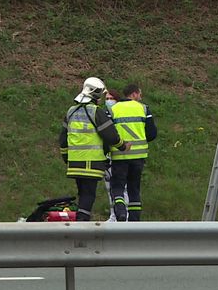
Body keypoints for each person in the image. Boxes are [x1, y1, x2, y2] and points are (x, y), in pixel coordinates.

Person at [59, 77, 130, 221]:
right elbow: (111, 136)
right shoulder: (96, 112)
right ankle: (81, 225)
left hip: (74, 163)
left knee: (83, 193)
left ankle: (81, 223)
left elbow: (63, 140)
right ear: (96, 95)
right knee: (88, 194)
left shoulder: (71, 112)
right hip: (91, 163)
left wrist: (67, 159)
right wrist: (123, 146)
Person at [109, 84, 157, 221]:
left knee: (118, 186)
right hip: (139, 157)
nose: (140, 97)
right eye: (140, 94)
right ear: (134, 94)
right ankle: (135, 220)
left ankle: (120, 211)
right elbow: (152, 133)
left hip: (119, 155)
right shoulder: (143, 108)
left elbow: (108, 133)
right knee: (134, 188)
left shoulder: (113, 109)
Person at [103, 90, 129, 222]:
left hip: (120, 155)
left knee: (121, 187)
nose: (109, 100)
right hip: (109, 155)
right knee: (109, 188)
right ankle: (114, 214)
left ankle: (125, 214)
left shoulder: (120, 114)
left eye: (111, 98)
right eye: (107, 98)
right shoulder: (103, 114)